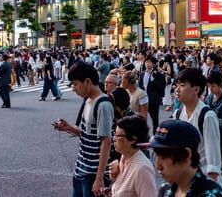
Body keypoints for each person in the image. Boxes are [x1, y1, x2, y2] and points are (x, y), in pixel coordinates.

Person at [54, 62, 114, 197]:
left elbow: (106, 141)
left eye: (75, 84)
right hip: (81, 169)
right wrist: (68, 128)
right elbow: (88, 135)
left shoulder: (103, 104)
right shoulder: (88, 101)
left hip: (93, 174)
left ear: (87, 81)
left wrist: (99, 179)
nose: (74, 89)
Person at [172, 67, 222, 196]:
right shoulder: (178, 114)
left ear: (196, 89)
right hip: (185, 181)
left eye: (182, 85)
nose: (177, 89)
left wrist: (208, 191)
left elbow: (213, 162)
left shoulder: (207, 116)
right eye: (176, 85)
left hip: (204, 182)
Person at [143, 120, 222, 197]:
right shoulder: (165, 189)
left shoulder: (210, 194)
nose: (157, 165)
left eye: (164, 157)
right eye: (156, 156)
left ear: (186, 155)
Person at [105, 115, 156, 197]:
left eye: (118, 135)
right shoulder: (124, 158)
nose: (113, 139)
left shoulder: (142, 169)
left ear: (133, 139)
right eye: (114, 134)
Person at [139, 55, 166, 132]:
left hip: (153, 99)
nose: (147, 64)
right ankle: (143, 133)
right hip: (143, 99)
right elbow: (141, 85)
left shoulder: (158, 74)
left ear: (153, 64)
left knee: (154, 119)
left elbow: (160, 87)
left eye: (150, 62)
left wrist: (152, 78)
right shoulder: (142, 74)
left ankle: (155, 134)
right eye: (146, 62)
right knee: (142, 118)